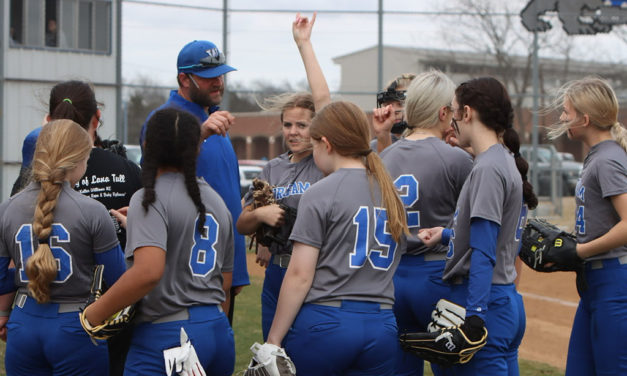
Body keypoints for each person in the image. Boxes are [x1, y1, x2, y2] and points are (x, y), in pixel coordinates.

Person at [83, 108, 236, 376]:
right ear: (197, 149)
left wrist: (93, 314)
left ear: (147, 146)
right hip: (217, 330)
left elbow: (148, 272)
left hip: (168, 336)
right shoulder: (215, 201)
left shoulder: (148, 198)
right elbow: (224, 282)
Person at [264, 100, 408, 375]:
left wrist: (274, 339)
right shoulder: (390, 191)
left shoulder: (320, 191)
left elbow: (299, 275)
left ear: (326, 144)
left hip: (327, 322)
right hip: (382, 324)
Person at [9, 80, 143, 376]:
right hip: (76, 322)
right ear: (81, 158)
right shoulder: (93, 211)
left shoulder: (10, 207)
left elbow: (4, 273)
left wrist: (5, 312)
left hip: (23, 320)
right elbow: (118, 278)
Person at [419, 77, 537, 375]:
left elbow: (484, 249)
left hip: (484, 301)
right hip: (504, 299)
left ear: (468, 113)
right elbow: (497, 238)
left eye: (454, 111)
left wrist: (475, 317)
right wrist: (447, 234)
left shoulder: (488, 167)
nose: (452, 120)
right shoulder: (504, 158)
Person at [236, 12, 330, 341]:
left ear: (315, 128)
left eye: (302, 125)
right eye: (287, 124)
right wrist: (260, 214)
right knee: (271, 353)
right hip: (277, 270)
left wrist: (304, 44)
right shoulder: (272, 168)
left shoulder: (324, 161)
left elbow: (325, 103)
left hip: (315, 271)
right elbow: (241, 223)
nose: (293, 131)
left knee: (308, 350)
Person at [140, 40, 248, 322]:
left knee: (216, 351)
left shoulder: (214, 117)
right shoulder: (164, 120)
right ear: (183, 79)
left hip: (220, 257)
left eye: (221, 75)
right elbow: (153, 173)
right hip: (189, 268)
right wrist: (198, 133)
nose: (218, 83)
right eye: (209, 77)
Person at [379, 70, 473, 376]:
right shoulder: (455, 158)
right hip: (438, 274)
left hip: (393, 277)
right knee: (451, 367)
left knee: (401, 367)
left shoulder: (384, 157)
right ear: (443, 112)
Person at [547, 77, 627, 376]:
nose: (563, 117)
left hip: (614, 283)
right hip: (596, 282)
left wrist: (578, 251)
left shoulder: (607, 159)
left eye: (567, 111)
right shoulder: (599, 156)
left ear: (586, 118)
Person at [371, 73, 416, 154]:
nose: (393, 110)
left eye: (401, 104)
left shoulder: (428, 144)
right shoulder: (374, 147)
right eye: (388, 105)